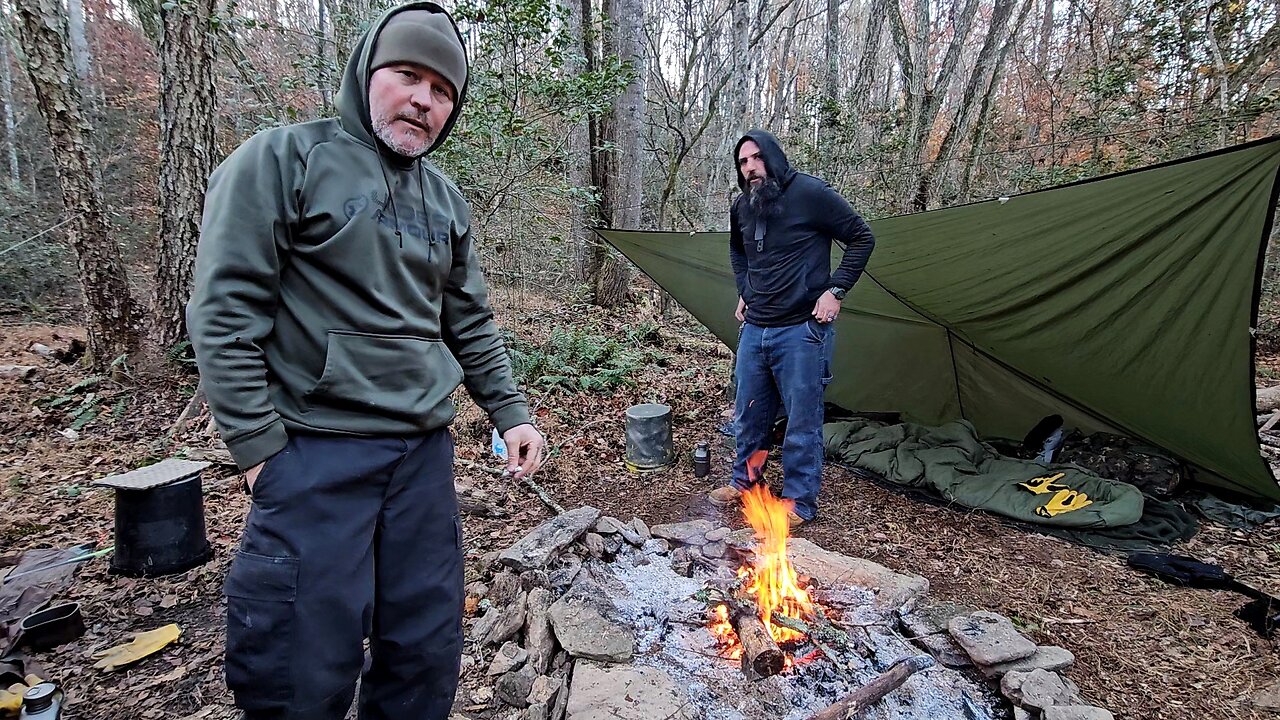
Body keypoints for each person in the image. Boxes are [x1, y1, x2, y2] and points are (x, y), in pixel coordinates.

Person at [187, 4, 544, 718]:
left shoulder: (446, 201)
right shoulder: (283, 159)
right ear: (365, 73)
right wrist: (259, 453)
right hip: (314, 455)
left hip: (420, 462)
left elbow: (468, 318)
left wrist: (511, 413)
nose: (424, 99)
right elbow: (224, 312)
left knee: (423, 651)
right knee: (297, 666)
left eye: (443, 91)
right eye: (408, 76)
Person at [707, 130, 875, 528]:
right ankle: (745, 484)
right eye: (742, 162)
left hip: (802, 330)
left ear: (773, 157)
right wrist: (746, 289)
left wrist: (836, 290)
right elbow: (737, 249)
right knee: (749, 412)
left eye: (755, 158)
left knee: (802, 420)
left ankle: (799, 501)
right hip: (755, 328)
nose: (749, 168)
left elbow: (861, 237)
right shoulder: (742, 206)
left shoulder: (810, 194)